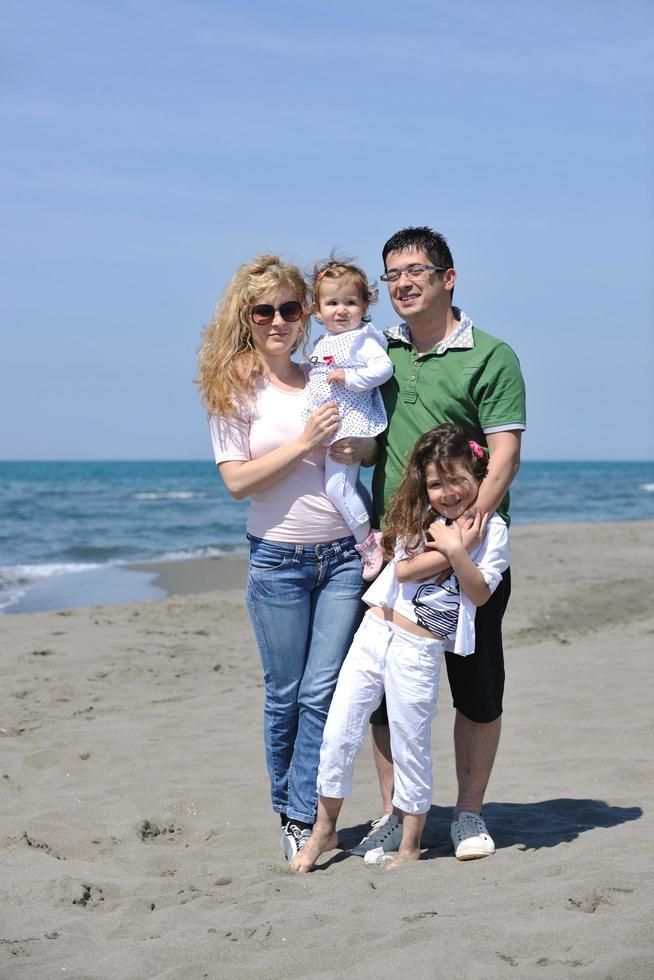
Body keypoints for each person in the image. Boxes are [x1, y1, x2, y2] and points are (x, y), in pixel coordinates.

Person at [344, 226, 526, 861]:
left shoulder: (492, 356)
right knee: (386, 692)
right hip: (395, 553)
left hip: (467, 552)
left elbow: (503, 456)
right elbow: (370, 437)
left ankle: (469, 814)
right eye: (391, 274)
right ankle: (397, 811)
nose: (402, 282)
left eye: (416, 270)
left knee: (476, 687)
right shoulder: (376, 353)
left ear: (449, 278)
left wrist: (464, 532)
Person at [196, 254, 366, 862]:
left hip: (344, 556)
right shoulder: (233, 386)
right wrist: (304, 444)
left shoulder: (325, 374)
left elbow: (362, 453)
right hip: (277, 562)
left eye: (290, 309)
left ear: (307, 316)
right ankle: (287, 809)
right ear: (245, 317)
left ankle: (303, 814)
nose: (278, 321)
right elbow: (238, 483)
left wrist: (357, 446)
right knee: (286, 693)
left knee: (324, 691)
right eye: (264, 310)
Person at [290, 424, 509, 872]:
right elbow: (405, 572)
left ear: (478, 475)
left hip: (418, 647)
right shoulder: (419, 517)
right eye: (435, 483)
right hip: (374, 632)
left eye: (457, 480)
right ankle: (324, 830)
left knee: (411, 742)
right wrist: (454, 543)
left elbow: (481, 593)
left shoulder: (493, 528)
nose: (447, 493)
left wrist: (458, 549)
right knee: (339, 732)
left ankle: (410, 845)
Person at [303, 258, 393, 580]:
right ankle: (360, 534)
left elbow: (384, 368)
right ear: (317, 310)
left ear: (365, 305)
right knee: (336, 485)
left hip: (350, 423)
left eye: (350, 302)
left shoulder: (362, 339)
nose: (341, 310)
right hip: (330, 423)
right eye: (332, 303)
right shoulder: (322, 342)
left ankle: (367, 542)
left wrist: (352, 379)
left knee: (337, 487)